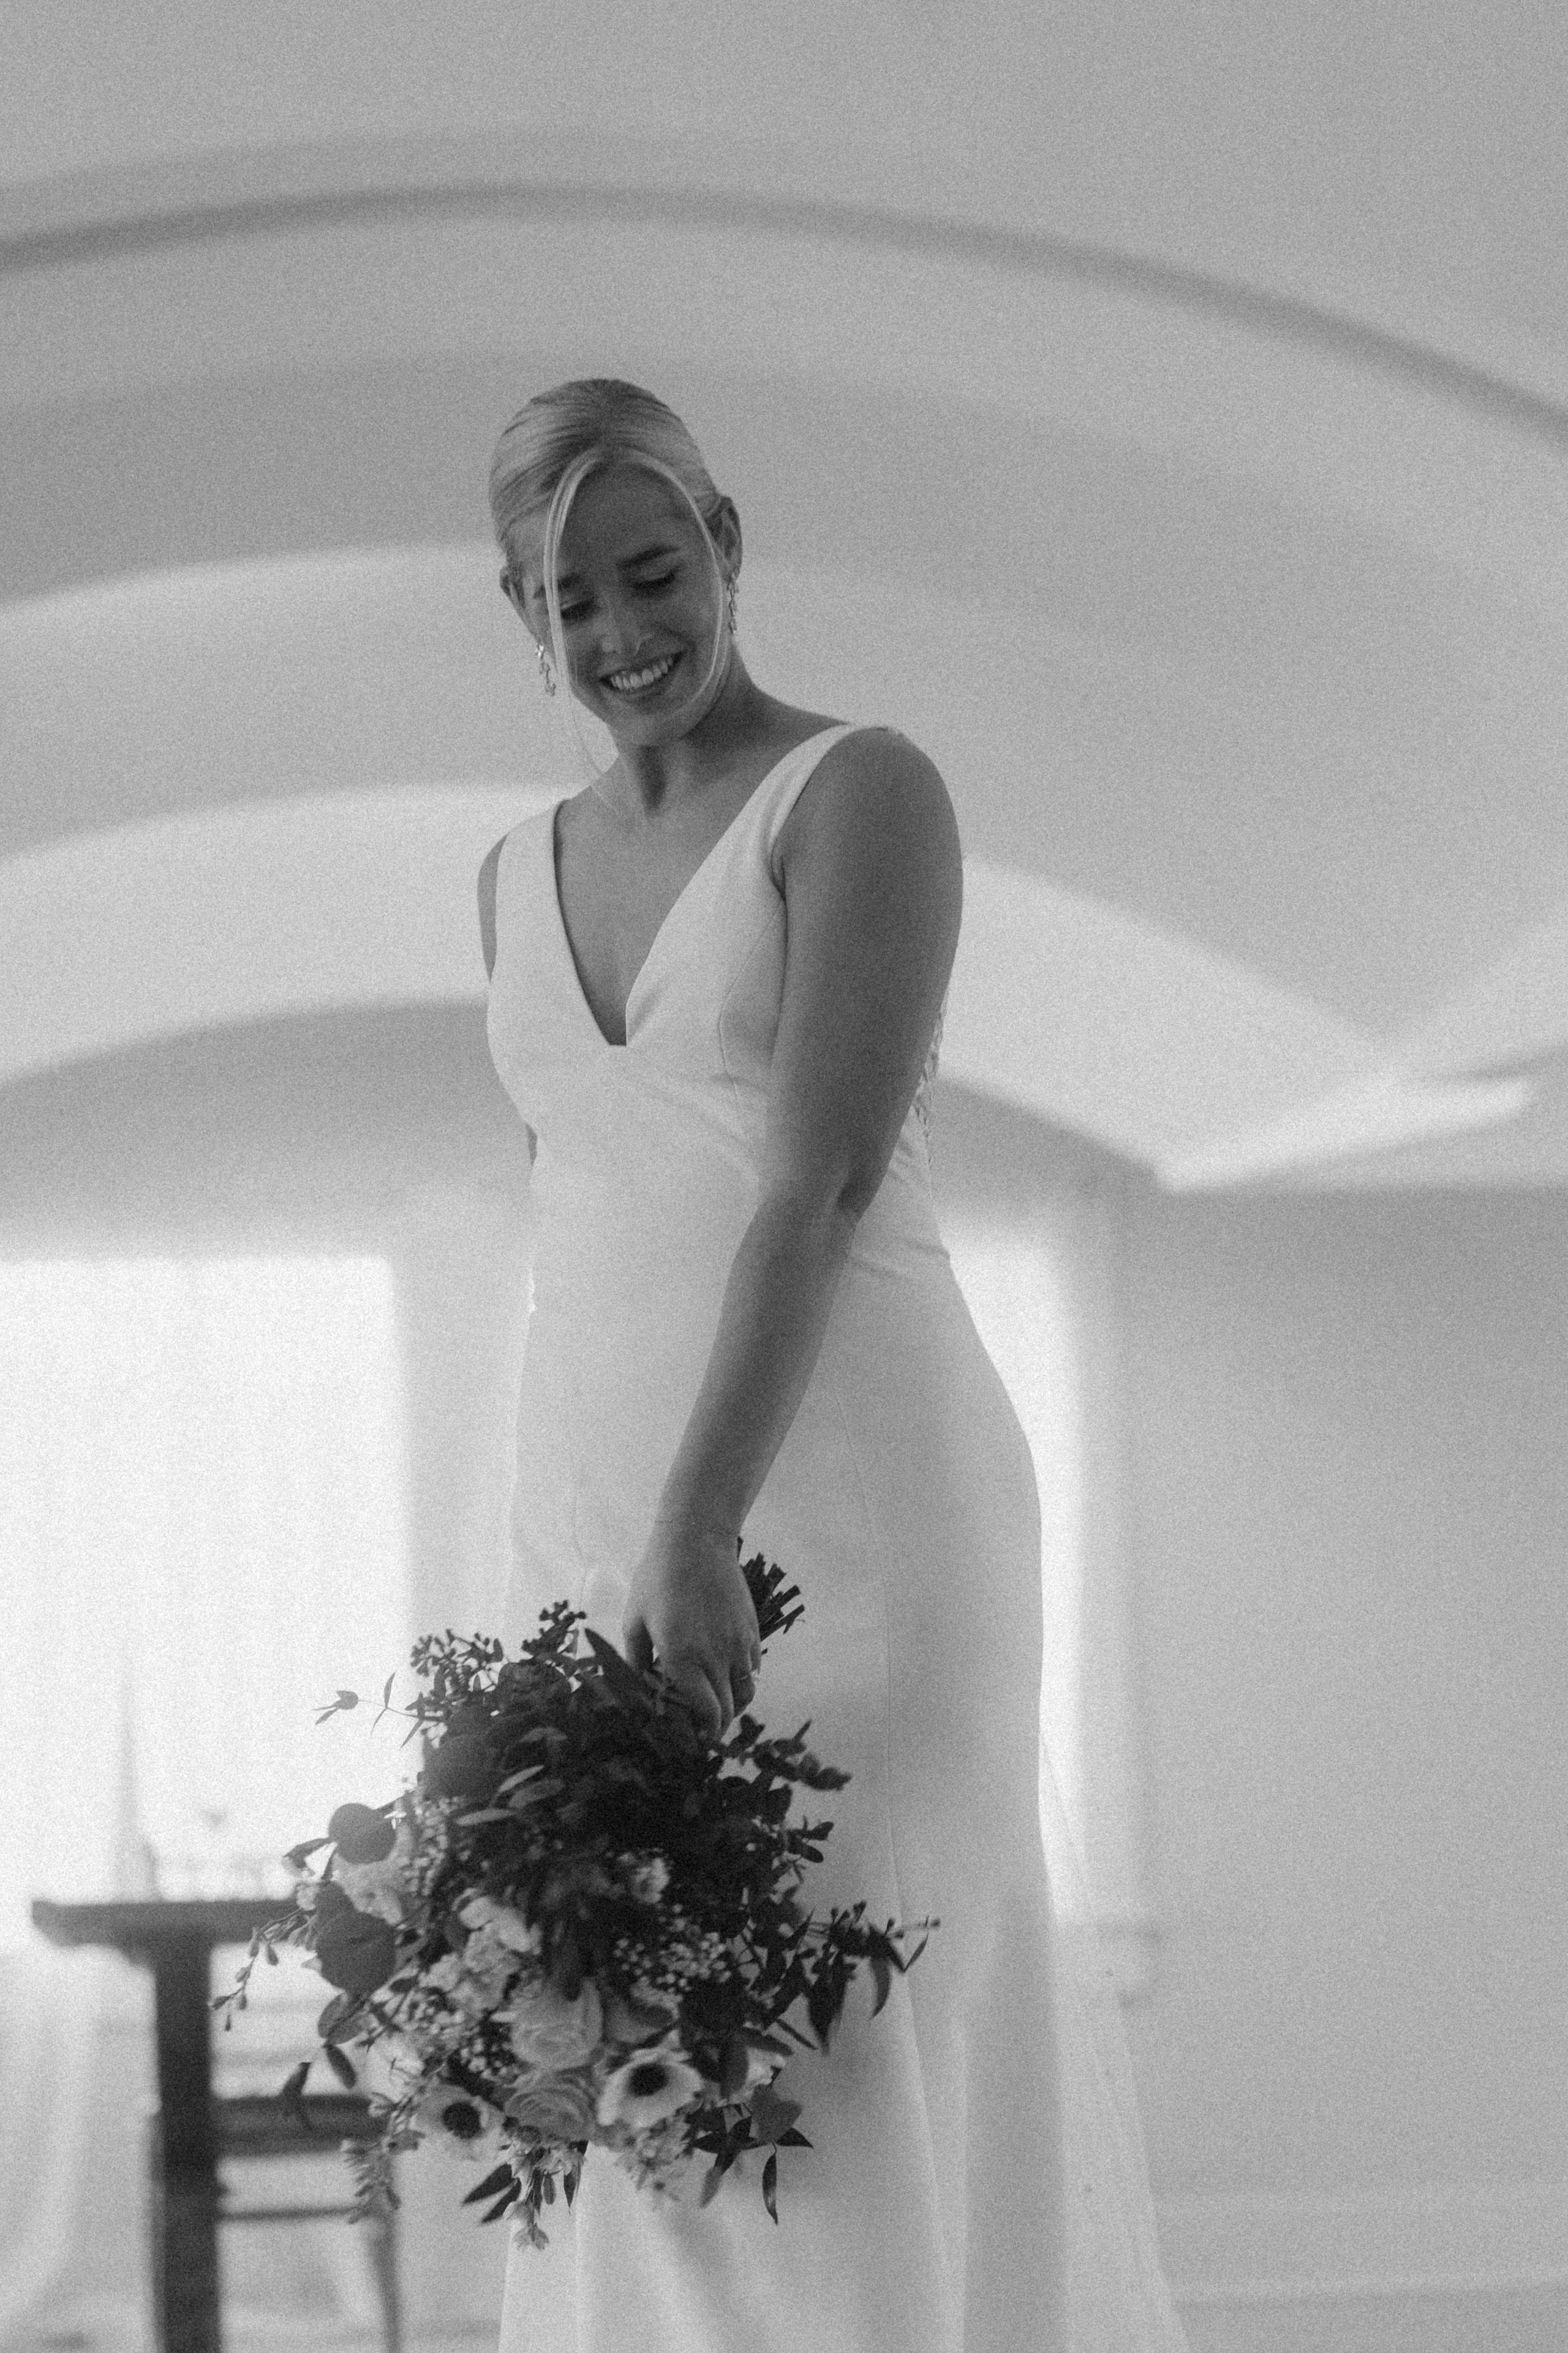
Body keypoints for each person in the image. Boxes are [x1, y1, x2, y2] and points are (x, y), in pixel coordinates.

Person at [478, 378, 1189, 2351]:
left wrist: (698, 1520)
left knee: (842, 2049)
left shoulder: (861, 792)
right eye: (570, 599)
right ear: (520, 615)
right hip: (600, 1522)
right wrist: (575, 1548)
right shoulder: (508, 871)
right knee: (625, 2065)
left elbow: (819, 1180)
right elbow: (578, 1216)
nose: (625, 632)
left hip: (858, 1512)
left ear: (727, 543)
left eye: (654, 570)